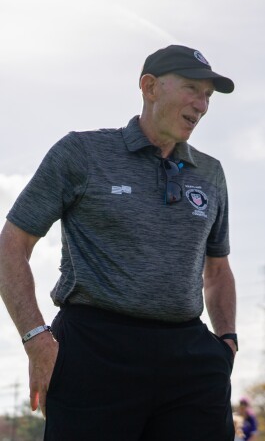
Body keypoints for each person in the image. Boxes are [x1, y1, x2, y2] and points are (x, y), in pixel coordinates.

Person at [0, 45, 238, 440]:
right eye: (193, 89)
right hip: (95, 351)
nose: (202, 105)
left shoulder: (210, 173)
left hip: (190, 356)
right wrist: (35, 339)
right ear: (149, 86)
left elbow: (217, 268)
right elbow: (12, 243)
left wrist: (226, 342)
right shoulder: (82, 152)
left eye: (208, 97)